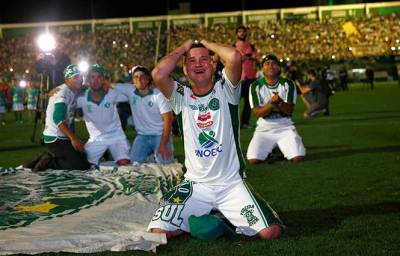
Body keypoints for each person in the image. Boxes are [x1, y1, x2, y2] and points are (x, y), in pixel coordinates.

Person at [148, 39, 283, 240]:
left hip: (231, 184)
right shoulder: (180, 95)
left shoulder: (227, 89)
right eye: (192, 61)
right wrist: (184, 47)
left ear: (213, 64)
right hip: (196, 185)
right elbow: (158, 74)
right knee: (159, 232)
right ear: (185, 69)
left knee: (270, 232)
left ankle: (218, 216)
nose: (199, 64)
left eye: (204, 59)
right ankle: (212, 217)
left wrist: (204, 42)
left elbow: (235, 57)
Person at [24, 64, 90, 171]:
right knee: (79, 166)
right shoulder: (63, 92)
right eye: (76, 77)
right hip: (55, 137)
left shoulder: (71, 90)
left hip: (63, 136)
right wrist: (73, 139)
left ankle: (43, 159)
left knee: (84, 159)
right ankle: (48, 161)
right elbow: (58, 118)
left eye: (81, 77)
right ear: (68, 79)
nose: (80, 80)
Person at [247, 54, 305, 164]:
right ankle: (273, 149)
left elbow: (289, 111)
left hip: (285, 125)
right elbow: (258, 112)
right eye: (267, 64)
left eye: (274, 63)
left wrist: (279, 103)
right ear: (262, 68)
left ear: (279, 67)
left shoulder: (288, 84)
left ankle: (280, 148)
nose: (271, 66)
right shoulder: (255, 86)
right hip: (264, 126)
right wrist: (272, 104)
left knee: (298, 158)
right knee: (253, 160)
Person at [115, 65, 174, 164]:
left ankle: (158, 154)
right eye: (136, 77)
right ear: (133, 80)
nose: (139, 79)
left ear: (147, 79)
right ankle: (151, 157)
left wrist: (163, 145)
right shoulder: (130, 91)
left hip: (159, 135)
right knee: (133, 165)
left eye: (142, 76)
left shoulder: (158, 95)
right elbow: (113, 85)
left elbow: (168, 119)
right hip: (142, 136)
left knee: (165, 164)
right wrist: (103, 83)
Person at [76, 64, 130, 167]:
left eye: (99, 77)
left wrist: (111, 84)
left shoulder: (112, 93)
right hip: (96, 138)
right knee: (82, 167)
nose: (95, 81)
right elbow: (65, 99)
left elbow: (131, 93)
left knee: (125, 165)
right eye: (92, 77)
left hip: (116, 135)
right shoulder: (81, 98)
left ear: (104, 79)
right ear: (88, 80)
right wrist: (59, 90)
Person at [234, 26, 259, 129]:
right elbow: (233, 60)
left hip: (251, 77)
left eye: (244, 32)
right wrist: (247, 57)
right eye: (240, 32)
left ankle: (245, 123)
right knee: (234, 102)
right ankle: (233, 124)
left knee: (249, 102)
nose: (242, 34)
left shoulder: (251, 46)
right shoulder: (233, 46)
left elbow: (257, 57)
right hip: (239, 78)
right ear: (237, 34)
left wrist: (248, 57)